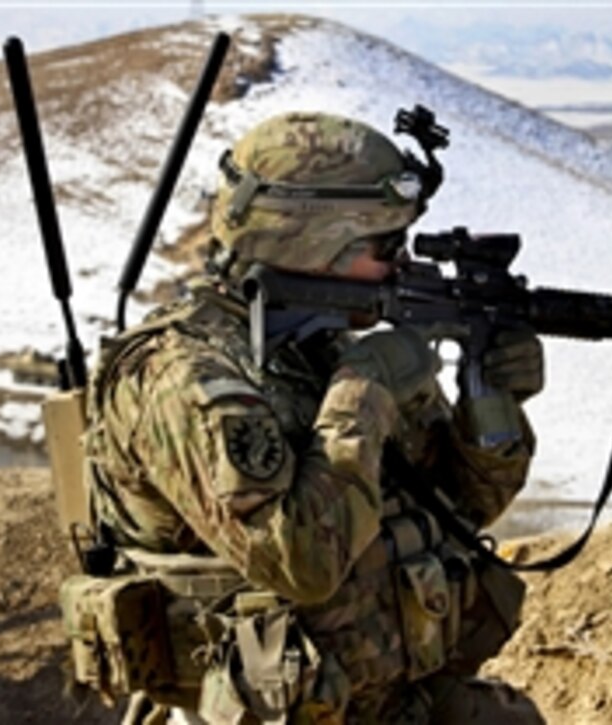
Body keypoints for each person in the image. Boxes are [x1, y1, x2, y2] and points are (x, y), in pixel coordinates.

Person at [78, 111, 546, 724]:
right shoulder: (181, 379)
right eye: (385, 247)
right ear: (312, 243)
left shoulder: (325, 345)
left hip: (388, 698)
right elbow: (301, 565)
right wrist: (365, 391)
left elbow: (461, 509)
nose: (402, 264)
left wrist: (490, 398)